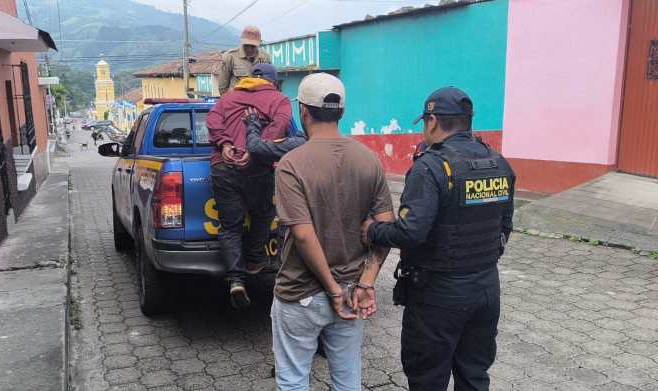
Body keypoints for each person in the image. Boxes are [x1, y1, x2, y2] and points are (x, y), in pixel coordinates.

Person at [361, 87, 516, 391]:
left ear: (432, 121)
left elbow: (411, 232)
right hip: (486, 288)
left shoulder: (431, 167)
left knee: (428, 378)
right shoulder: (499, 163)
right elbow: (505, 227)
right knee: (474, 375)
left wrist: (371, 231)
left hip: (438, 295)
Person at [272, 72, 395, 391]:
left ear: (304, 112)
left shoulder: (291, 164)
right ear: (341, 112)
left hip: (300, 294)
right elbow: (386, 228)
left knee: (293, 378)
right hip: (352, 290)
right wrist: (365, 283)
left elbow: (302, 235)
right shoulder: (370, 160)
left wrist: (331, 289)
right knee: (347, 378)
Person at [207, 63, 291, 309]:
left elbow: (213, 121)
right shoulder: (279, 100)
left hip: (223, 166)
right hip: (258, 169)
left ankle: (235, 280)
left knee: (229, 225)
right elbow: (280, 127)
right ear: (273, 82)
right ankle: (255, 260)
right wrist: (254, 152)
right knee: (264, 214)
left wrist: (224, 144)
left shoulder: (228, 98)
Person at [217, 26, 271, 95]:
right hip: (237, 102)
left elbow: (270, 82)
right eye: (246, 45)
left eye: (253, 46)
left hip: (259, 101)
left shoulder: (265, 57)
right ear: (242, 42)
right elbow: (222, 88)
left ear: (259, 43)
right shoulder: (230, 56)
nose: (249, 49)